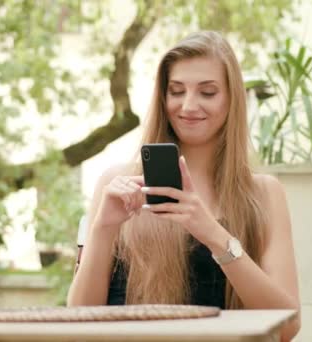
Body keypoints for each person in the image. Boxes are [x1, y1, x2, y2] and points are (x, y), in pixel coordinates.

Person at [66, 31, 300, 341]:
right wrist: (103, 230)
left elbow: (287, 327)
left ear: (232, 98)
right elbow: (78, 322)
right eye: (176, 91)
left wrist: (215, 236)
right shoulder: (116, 184)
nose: (188, 105)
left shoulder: (264, 194)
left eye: (207, 92)